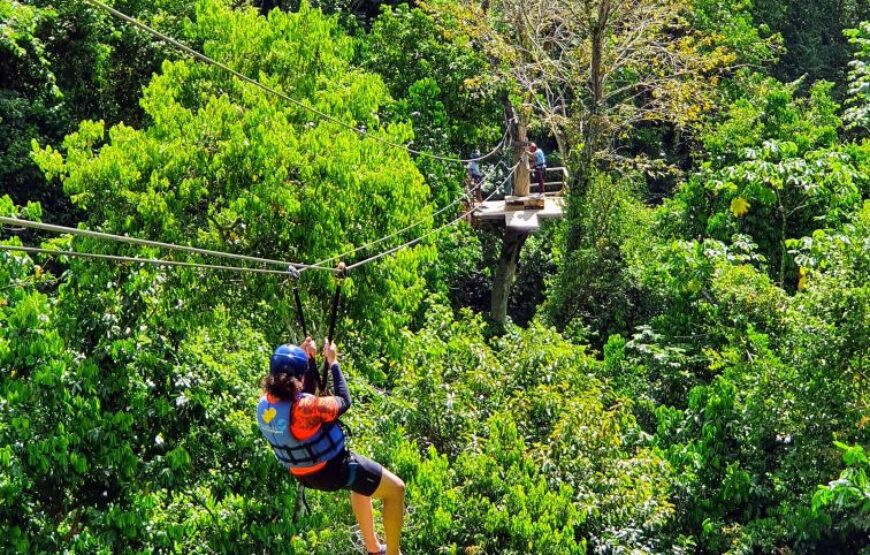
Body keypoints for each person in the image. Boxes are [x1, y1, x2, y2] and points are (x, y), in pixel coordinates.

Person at [257, 338, 405, 555]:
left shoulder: (264, 404)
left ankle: (374, 548)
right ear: (299, 376)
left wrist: (306, 358)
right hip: (333, 470)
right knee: (396, 490)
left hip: (305, 474)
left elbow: (299, 400)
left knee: (362, 483)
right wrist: (333, 362)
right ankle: (393, 553)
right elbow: (344, 400)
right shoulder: (305, 408)